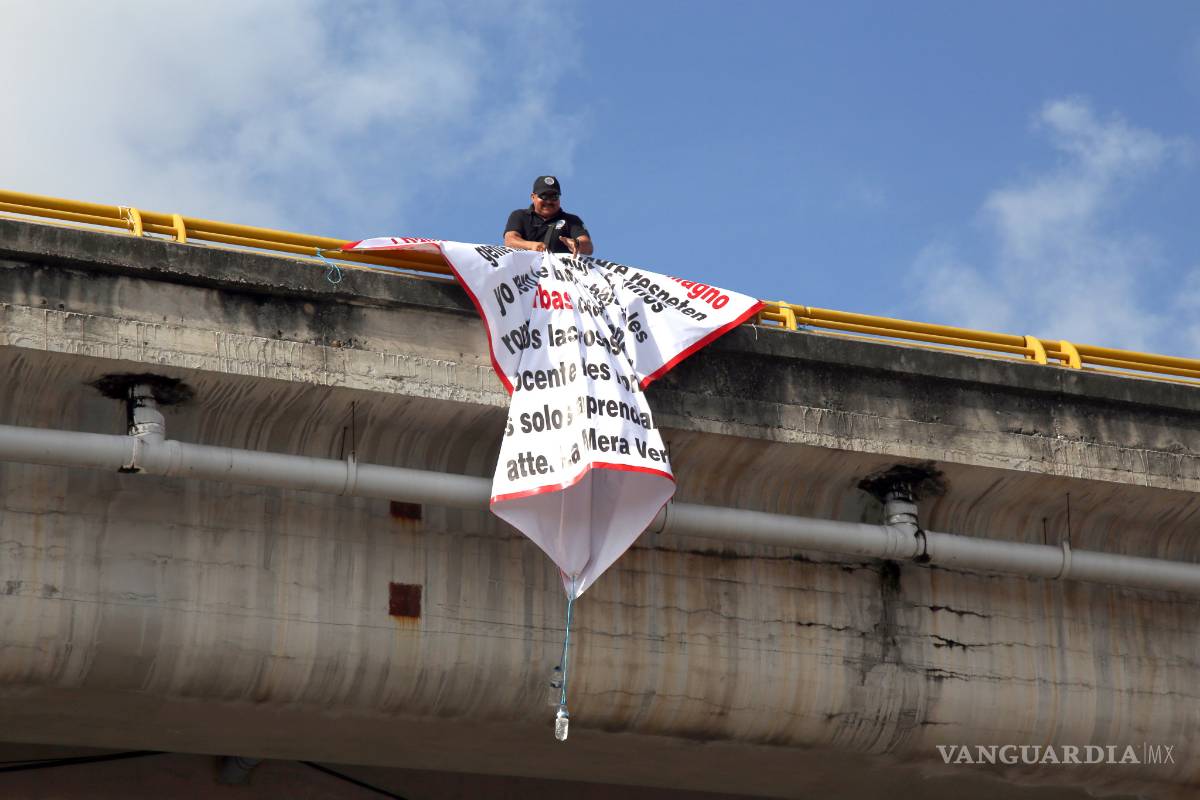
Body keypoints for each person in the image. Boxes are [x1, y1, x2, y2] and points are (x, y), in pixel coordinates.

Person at [504, 176, 594, 256]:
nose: (549, 201)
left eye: (554, 197)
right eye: (544, 196)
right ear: (533, 197)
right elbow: (510, 240)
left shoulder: (571, 220)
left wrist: (576, 244)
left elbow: (588, 247)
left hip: (560, 274)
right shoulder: (519, 215)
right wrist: (532, 246)